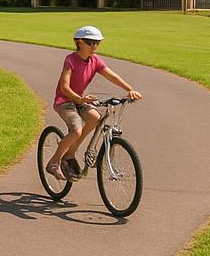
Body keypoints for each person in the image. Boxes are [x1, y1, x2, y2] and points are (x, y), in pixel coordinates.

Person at [46, 25, 142, 181]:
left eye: (97, 43)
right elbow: (64, 87)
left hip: (81, 99)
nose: (94, 46)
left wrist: (130, 89)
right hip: (65, 100)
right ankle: (54, 162)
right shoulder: (71, 60)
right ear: (79, 42)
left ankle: (71, 153)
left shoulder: (95, 61)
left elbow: (111, 76)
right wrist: (78, 98)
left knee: (95, 118)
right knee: (76, 130)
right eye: (90, 42)